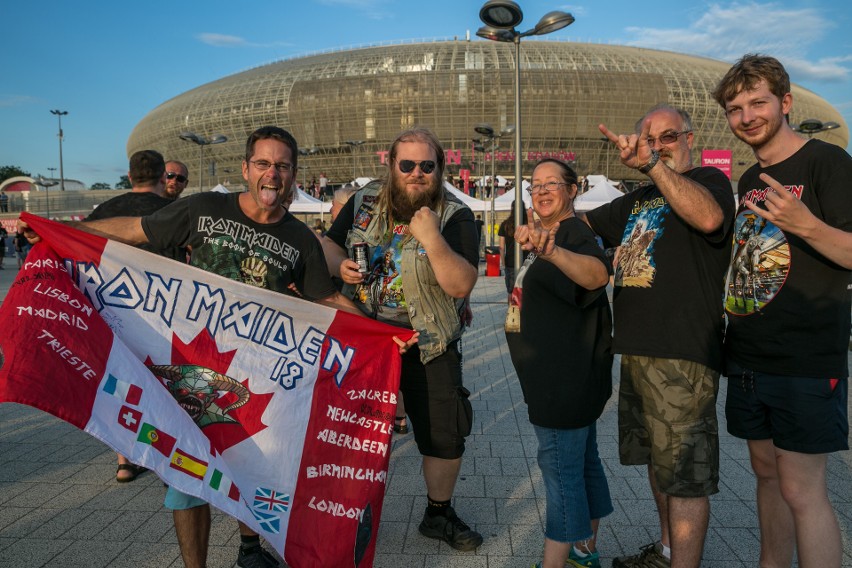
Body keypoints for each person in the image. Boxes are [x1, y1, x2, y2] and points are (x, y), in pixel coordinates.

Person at [19, 126, 413, 568]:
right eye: (263, 164)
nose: (272, 175)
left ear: (294, 175)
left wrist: (380, 336)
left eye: (282, 166)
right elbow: (134, 230)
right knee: (187, 476)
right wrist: (56, 231)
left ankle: (249, 551)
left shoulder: (300, 239)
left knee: (255, 465)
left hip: (254, 375)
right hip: (190, 369)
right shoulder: (206, 209)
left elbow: (326, 298)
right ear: (246, 169)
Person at [712, 54, 851, 568]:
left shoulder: (826, 162)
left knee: (801, 489)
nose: (747, 116)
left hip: (806, 358)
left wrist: (805, 223)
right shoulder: (750, 179)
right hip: (749, 355)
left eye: (757, 103)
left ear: (785, 103)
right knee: (766, 475)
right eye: (735, 108)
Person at [583, 104, 735, 568]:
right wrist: (547, 212)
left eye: (667, 137)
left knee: (685, 475)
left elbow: (708, 219)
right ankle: (668, 551)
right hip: (635, 352)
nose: (658, 148)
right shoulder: (640, 198)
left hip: (682, 353)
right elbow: (584, 225)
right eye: (649, 140)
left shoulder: (710, 182)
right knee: (656, 463)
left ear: (689, 138)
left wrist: (650, 162)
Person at [321, 127, 482, 551]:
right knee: (353, 433)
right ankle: (348, 513)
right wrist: (340, 267)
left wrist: (430, 237)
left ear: (440, 169)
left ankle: (438, 514)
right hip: (365, 338)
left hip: (426, 342)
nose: (416, 174)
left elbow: (462, 283)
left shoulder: (456, 215)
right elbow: (328, 245)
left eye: (426, 166)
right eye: (406, 164)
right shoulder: (363, 201)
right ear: (391, 165)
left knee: (443, 435)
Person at [507, 159, 613, 568]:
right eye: (536, 184)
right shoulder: (550, 234)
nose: (543, 190)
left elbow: (597, 275)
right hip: (563, 376)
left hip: (562, 380)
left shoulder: (571, 234)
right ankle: (585, 553)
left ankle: (554, 563)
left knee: (559, 472)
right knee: (583, 462)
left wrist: (552, 252)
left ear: (573, 189)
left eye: (553, 183)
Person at [89, 149, 185, 483]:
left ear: (129, 177)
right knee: (164, 384)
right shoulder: (174, 211)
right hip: (163, 313)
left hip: (112, 310)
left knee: (122, 382)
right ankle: (166, 459)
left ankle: (125, 460)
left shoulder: (104, 211)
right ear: (163, 178)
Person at [497, 200, 528, 299]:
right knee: (526, 291)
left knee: (511, 292)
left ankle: (512, 313)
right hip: (527, 262)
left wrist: (503, 263)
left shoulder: (505, 225)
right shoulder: (527, 224)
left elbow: (501, 247)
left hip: (510, 262)